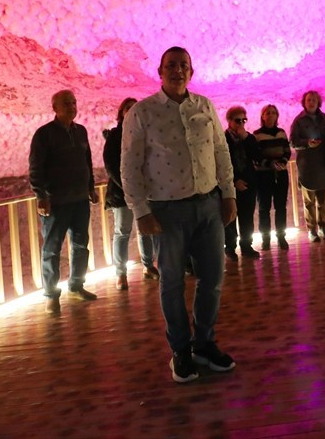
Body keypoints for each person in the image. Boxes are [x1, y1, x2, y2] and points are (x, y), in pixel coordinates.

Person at [122, 47, 238, 384]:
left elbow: (220, 150)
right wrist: (140, 210)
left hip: (208, 204)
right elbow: (129, 165)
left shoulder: (204, 106)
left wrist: (228, 193)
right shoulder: (142, 113)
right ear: (160, 71)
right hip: (167, 209)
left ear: (192, 71)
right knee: (171, 282)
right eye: (171, 65)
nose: (177, 70)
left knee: (213, 278)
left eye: (183, 65)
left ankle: (204, 343)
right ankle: (180, 350)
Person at [29, 89, 100, 314]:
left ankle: (76, 286)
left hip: (79, 199)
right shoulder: (44, 134)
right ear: (55, 108)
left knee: (81, 245)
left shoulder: (81, 132)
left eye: (74, 102)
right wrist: (41, 196)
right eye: (67, 103)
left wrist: (91, 187)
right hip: (56, 201)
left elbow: (87, 161)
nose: (72, 107)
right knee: (52, 248)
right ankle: (51, 294)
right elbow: (36, 168)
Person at [103, 97, 159, 290]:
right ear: (121, 113)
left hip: (143, 191)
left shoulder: (144, 133)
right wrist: (127, 186)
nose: (131, 111)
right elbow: (110, 164)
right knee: (122, 231)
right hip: (121, 193)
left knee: (145, 229)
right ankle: (121, 273)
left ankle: (148, 266)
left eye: (134, 108)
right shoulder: (115, 135)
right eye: (128, 108)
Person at [290, 90, 325, 242]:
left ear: (318, 101)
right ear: (304, 102)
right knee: (309, 201)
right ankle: (311, 229)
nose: (312, 102)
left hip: (322, 164)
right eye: (309, 99)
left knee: (322, 201)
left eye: (314, 99)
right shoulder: (299, 121)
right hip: (307, 165)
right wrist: (307, 143)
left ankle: (323, 226)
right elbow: (293, 141)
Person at [224, 106, 263, 260]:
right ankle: (230, 248)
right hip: (230, 185)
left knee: (247, 217)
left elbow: (257, 157)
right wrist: (234, 181)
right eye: (237, 120)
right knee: (230, 217)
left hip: (248, 184)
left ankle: (246, 246)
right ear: (229, 121)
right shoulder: (223, 139)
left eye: (243, 120)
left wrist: (246, 138)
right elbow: (221, 163)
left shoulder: (250, 138)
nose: (241, 123)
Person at [253, 104, 291, 251]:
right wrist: (269, 164)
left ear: (277, 116)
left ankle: (281, 237)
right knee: (264, 208)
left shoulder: (281, 133)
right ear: (263, 116)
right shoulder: (257, 135)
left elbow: (287, 151)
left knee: (281, 206)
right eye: (267, 113)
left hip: (281, 174)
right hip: (263, 175)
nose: (270, 115)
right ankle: (265, 239)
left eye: (273, 113)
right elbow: (255, 156)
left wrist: (282, 162)